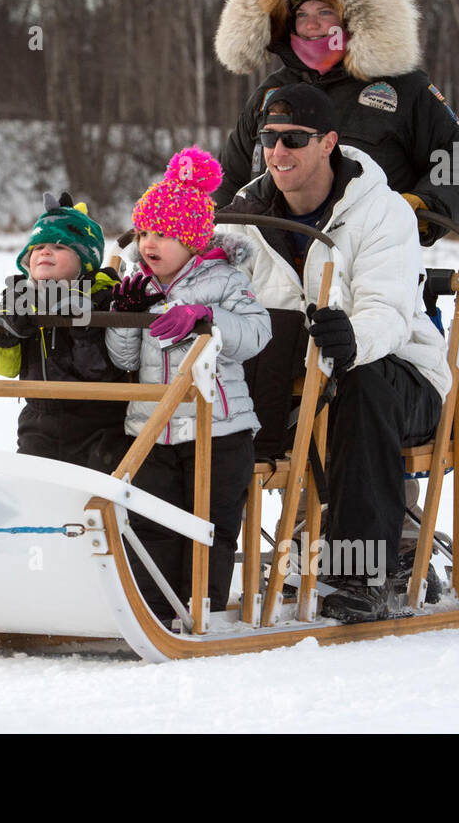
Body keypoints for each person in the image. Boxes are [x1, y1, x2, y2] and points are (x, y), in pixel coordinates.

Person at [219, 84, 452, 623]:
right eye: (270, 139)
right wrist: (144, 250)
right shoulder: (246, 213)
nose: (278, 152)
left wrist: (353, 339)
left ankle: (362, 575)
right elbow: (201, 273)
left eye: (293, 139)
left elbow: (389, 311)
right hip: (295, 381)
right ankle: (178, 565)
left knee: (361, 382)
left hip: (400, 377)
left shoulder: (382, 211)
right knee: (202, 378)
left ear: (328, 143)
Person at [212, 0, 459, 243]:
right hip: (274, 260)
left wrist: (422, 205)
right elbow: (229, 180)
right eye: (302, 13)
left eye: (325, 11)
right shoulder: (271, 92)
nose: (312, 24)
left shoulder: (405, 88)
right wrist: (207, 233)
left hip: (370, 255)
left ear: (354, 18)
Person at [105, 148, 271, 623]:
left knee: (210, 525)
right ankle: (157, 612)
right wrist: (124, 316)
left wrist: (207, 318)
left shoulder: (223, 280)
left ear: (193, 240)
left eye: (162, 234)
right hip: (152, 428)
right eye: (143, 232)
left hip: (219, 430)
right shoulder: (140, 284)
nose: (148, 243)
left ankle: (204, 608)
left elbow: (258, 334)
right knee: (153, 523)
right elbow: (124, 360)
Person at [0, 192, 127, 467]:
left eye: (60, 247)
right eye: (38, 248)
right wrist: (6, 335)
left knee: (92, 492)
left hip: (98, 421)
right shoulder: (21, 298)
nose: (45, 252)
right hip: (39, 419)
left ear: (85, 261)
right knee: (32, 486)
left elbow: (99, 371)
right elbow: (7, 369)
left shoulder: (101, 297)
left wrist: (81, 326)